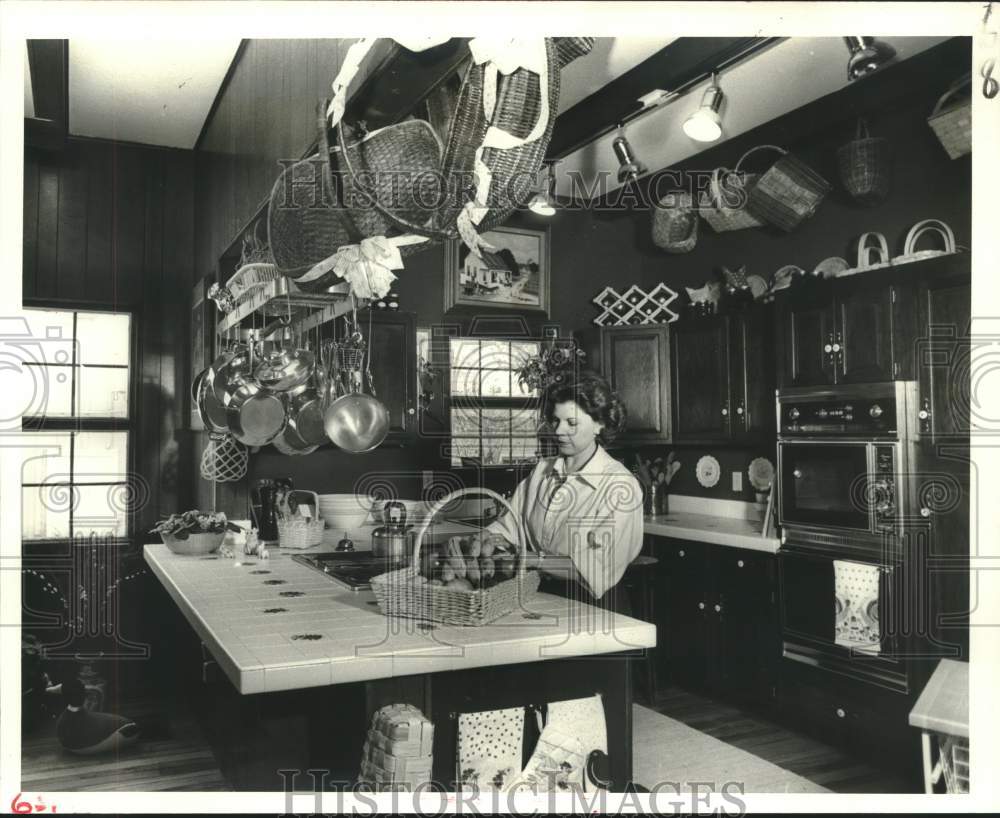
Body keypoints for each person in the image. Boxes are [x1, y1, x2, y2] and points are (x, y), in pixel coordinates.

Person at [486, 370, 643, 612]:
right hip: (540, 596)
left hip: (596, 607)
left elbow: (596, 566)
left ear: (599, 425)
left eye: (571, 423)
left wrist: (531, 559)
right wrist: (484, 539)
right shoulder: (542, 472)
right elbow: (509, 527)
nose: (558, 431)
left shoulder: (619, 485)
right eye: (556, 421)